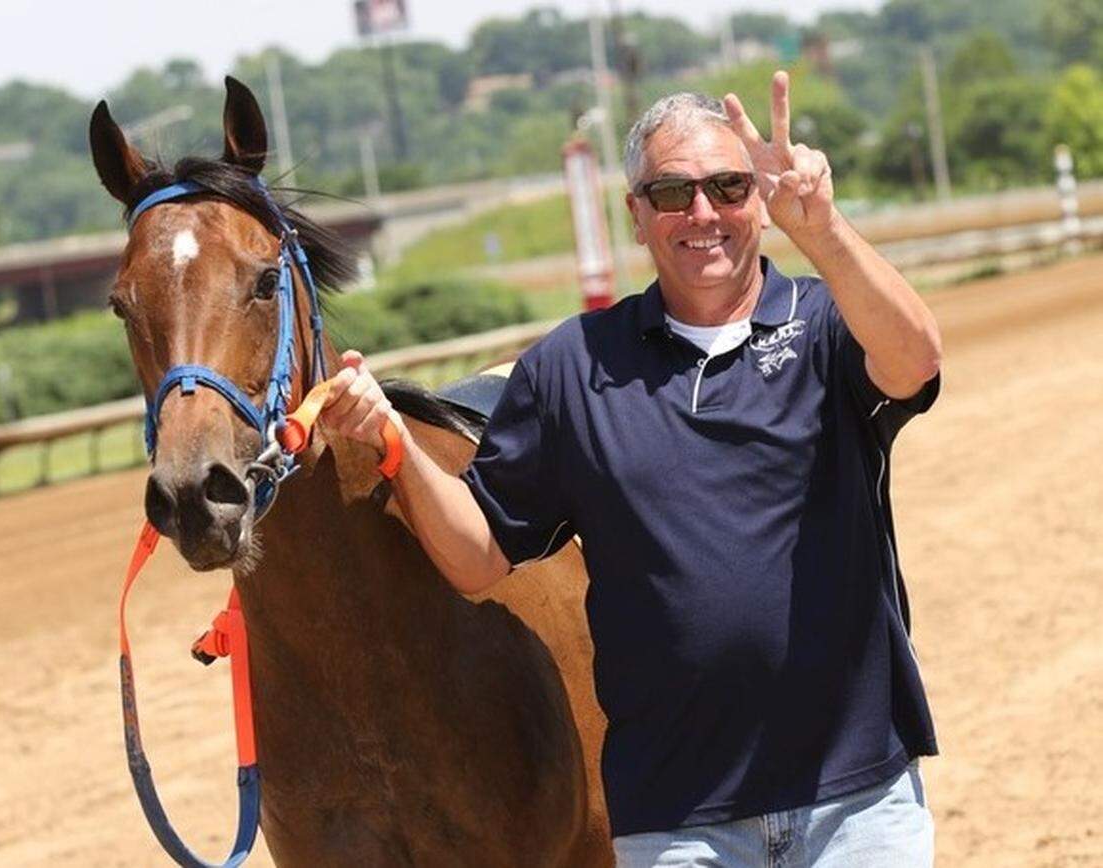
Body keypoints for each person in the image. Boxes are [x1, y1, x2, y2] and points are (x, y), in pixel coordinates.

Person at [321, 70, 942, 867]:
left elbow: (915, 359)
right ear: (637, 215)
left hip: (856, 803)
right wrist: (393, 444)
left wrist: (821, 229)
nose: (704, 213)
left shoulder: (826, 325)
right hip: (677, 823)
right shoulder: (570, 370)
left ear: (757, 199)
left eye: (727, 186)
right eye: (673, 193)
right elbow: (477, 556)